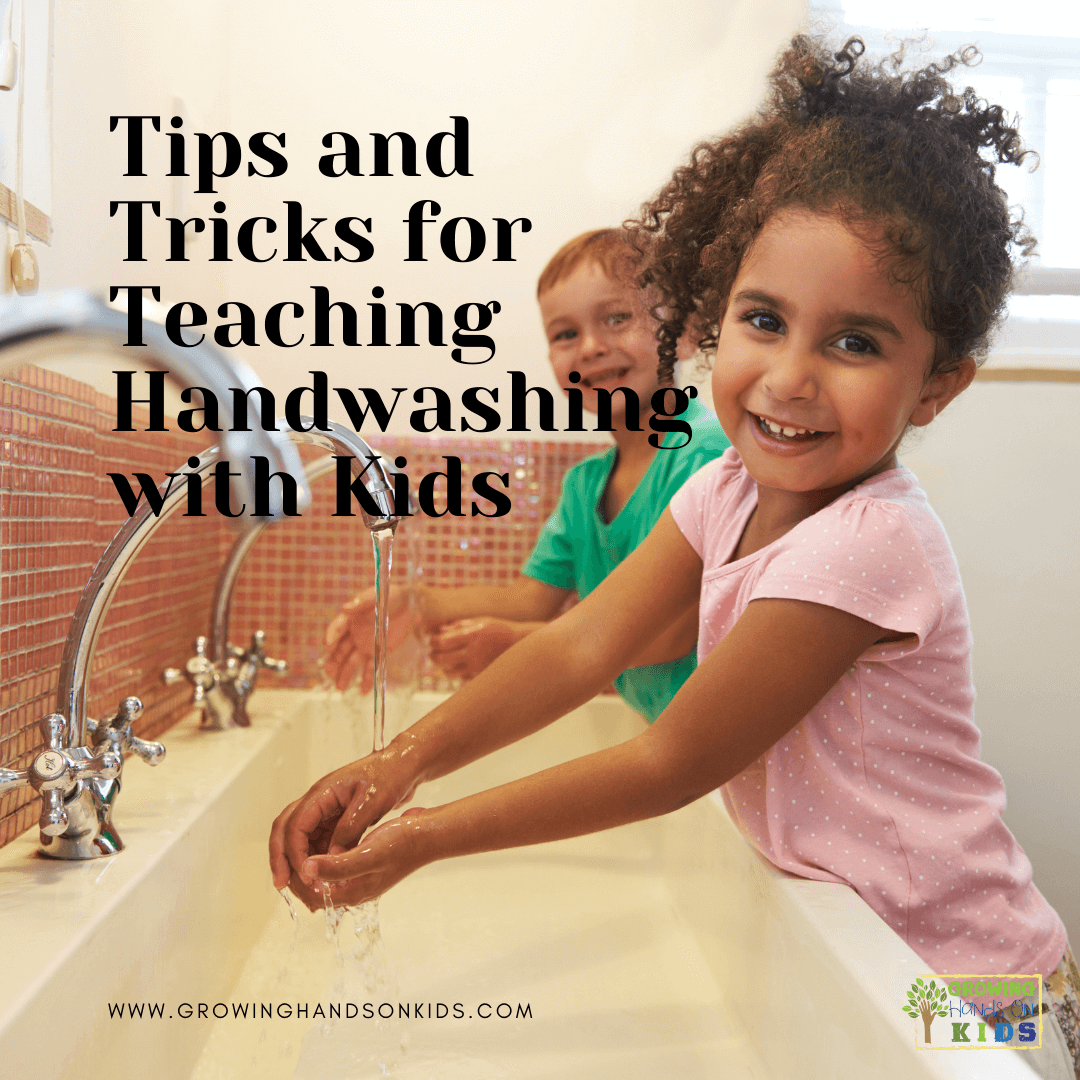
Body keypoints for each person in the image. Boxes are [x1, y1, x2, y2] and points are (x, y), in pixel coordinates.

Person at [273, 37, 1079, 1078]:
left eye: (856, 343)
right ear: (713, 319)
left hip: (980, 991)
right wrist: (396, 763)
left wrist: (423, 834)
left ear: (936, 388)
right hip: (865, 952)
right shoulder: (723, 490)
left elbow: (671, 759)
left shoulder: (868, 546)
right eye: (763, 320)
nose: (789, 377)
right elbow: (577, 648)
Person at [323, 228, 731, 722]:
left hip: (723, 740)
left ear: (684, 333)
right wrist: (415, 604)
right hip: (671, 739)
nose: (590, 348)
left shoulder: (706, 456)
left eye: (617, 318)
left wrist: (520, 645)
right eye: (565, 334)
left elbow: (672, 629)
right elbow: (530, 598)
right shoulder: (585, 486)